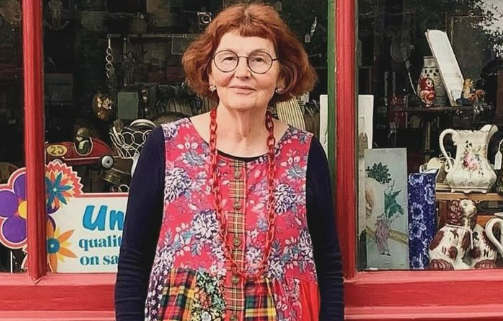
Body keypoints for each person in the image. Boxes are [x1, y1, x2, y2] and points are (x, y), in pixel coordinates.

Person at [115, 3, 344, 321]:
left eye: (259, 59)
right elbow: (133, 261)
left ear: (282, 75)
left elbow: (329, 265)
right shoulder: (165, 148)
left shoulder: (305, 154)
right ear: (209, 72)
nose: (242, 72)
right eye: (228, 59)